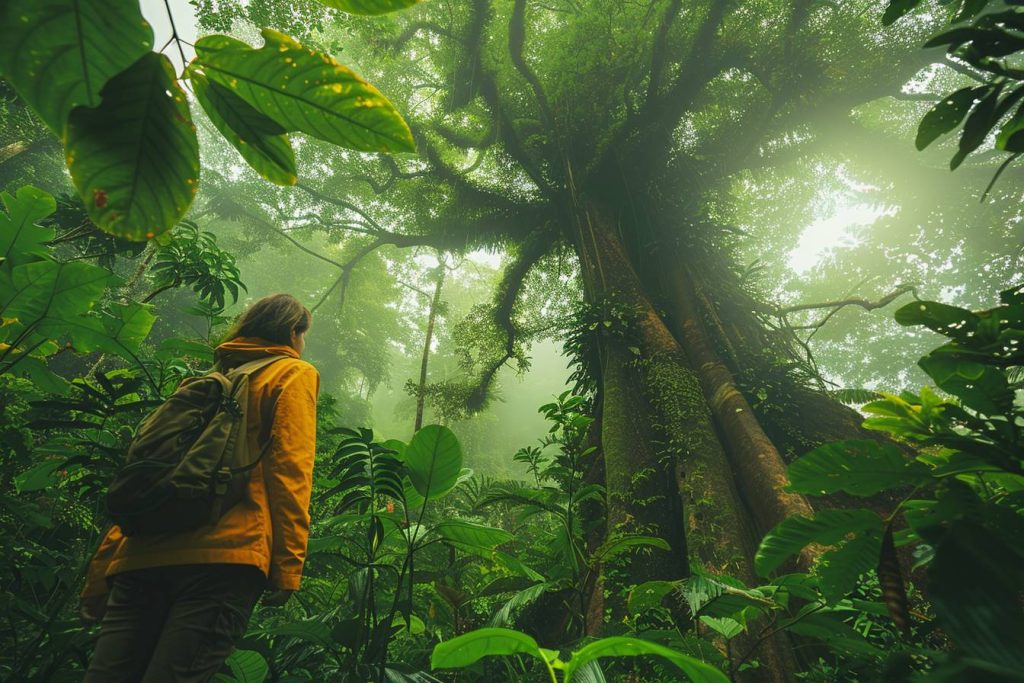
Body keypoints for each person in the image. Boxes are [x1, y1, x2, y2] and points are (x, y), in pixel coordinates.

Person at [80, 293, 320, 682]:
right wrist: (288, 566)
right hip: (225, 558)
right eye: (303, 335)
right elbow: (289, 470)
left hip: (141, 555)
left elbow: (148, 474)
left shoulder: (206, 381)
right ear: (293, 332)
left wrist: (101, 571)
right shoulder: (292, 373)